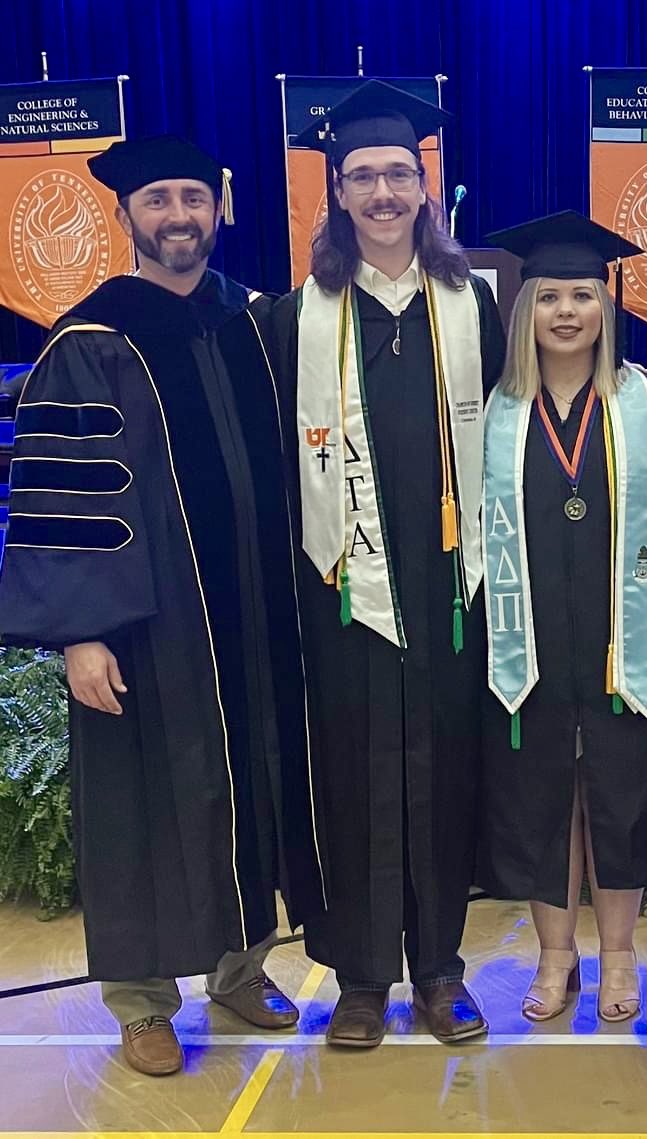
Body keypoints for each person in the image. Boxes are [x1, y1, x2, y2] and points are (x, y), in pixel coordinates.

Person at [0, 136, 325, 1076]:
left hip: (258, 619)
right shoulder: (88, 341)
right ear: (126, 216)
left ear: (220, 205)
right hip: (147, 629)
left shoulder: (256, 320)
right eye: (157, 200)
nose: (178, 215)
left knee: (253, 786)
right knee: (139, 799)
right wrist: (81, 634)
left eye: (192, 196)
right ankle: (141, 1002)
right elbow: (65, 500)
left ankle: (239, 969)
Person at [260, 81, 506, 1048]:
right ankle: (361, 975)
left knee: (444, 772)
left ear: (423, 184)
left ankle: (440, 970)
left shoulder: (474, 308)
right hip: (341, 590)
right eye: (361, 176)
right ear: (338, 194)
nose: (381, 192)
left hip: (452, 586)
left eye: (398, 173)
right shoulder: (296, 318)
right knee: (355, 775)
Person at [478, 212, 647, 1023]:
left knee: (622, 797)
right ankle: (555, 955)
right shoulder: (492, 412)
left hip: (621, 642)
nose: (567, 311)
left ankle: (620, 955)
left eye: (583, 295)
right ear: (524, 309)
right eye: (550, 296)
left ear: (607, 307)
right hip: (526, 639)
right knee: (539, 798)